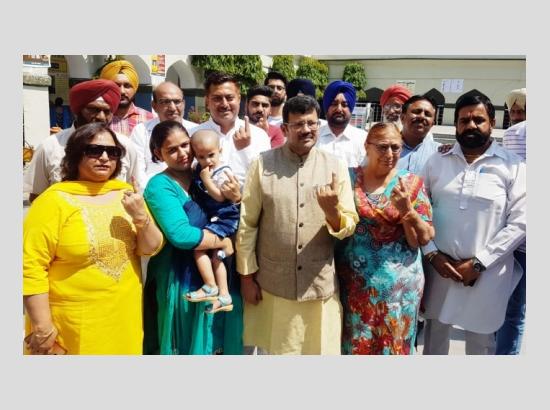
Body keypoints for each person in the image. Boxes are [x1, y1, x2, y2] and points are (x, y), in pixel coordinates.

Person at [23, 122, 164, 355]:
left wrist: (141, 217)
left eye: (113, 152)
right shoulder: (53, 201)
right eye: (94, 151)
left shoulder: (125, 194)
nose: (105, 157)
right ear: (76, 154)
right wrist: (42, 328)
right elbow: (30, 268)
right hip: (72, 325)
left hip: (122, 320)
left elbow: (152, 247)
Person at [235, 95, 359, 354]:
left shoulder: (334, 166)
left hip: (318, 285)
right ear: (284, 129)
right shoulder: (262, 165)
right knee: (277, 351)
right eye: (299, 124)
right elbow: (247, 224)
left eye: (312, 124)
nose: (307, 130)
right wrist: (247, 277)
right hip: (273, 284)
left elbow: (349, 223)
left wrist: (332, 212)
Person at [421, 92, 526, 355]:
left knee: (482, 345)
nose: (471, 125)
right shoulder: (436, 161)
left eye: (478, 119)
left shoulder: (512, 166)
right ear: (455, 124)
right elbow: (418, 211)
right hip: (439, 270)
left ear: (492, 122)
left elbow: (521, 222)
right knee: (434, 340)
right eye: (464, 120)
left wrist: (480, 262)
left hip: (487, 274)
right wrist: (432, 254)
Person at [143, 120, 243, 354]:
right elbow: (182, 235)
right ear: (159, 153)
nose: (183, 154)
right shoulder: (159, 186)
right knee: (188, 343)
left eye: (185, 145)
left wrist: (236, 198)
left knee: (219, 341)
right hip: (181, 278)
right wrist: (223, 241)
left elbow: (232, 212)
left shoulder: (204, 175)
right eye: (172, 150)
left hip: (218, 271)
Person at [335, 122, 434, 355]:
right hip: (353, 284)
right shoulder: (348, 178)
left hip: (399, 290)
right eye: (382, 147)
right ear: (366, 147)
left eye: (395, 148)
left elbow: (426, 236)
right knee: (354, 343)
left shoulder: (410, 183)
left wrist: (407, 211)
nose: (390, 154)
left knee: (393, 345)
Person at [25, 79, 142, 203]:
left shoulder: (125, 146)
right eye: (94, 109)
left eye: (107, 111)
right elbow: (37, 197)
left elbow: (133, 191)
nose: (101, 117)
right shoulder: (50, 146)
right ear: (77, 110)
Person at [186, 130, 241, 314]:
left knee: (198, 248)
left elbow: (219, 197)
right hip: (216, 217)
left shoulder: (222, 171)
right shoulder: (200, 170)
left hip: (225, 217)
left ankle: (210, 285)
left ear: (220, 150)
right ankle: (224, 296)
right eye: (201, 156)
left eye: (211, 155)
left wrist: (206, 180)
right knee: (217, 257)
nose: (208, 160)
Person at [189, 72, 271, 186]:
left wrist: (245, 150)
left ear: (239, 99)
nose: (224, 104)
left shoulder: (259, 136)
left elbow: (265, 177)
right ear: (207, 102)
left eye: (229, 98)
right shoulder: (192, 135)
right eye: (217, 98)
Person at [130, 81, 197, 189]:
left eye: (177, 101)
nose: (172, 107)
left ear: (184, 103)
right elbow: (138, 173)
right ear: (154, 106)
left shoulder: (196, 130)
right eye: (165, 102)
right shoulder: (141, 131)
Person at [496, 119, 527, 354]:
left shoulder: (514, 131)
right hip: (510, 239)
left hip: (513, 237)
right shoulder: (515, 133)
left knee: (512, 310)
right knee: (513, 310)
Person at [317, 80, 367, 167]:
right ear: (326, 107)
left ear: (350, 109)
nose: (339, 109)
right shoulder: (314, 136)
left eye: (344, 105)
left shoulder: (363, 139)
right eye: (334, 104)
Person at [99, 59, 154, 136]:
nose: (122, 91)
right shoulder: (98, 118)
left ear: (135, 89)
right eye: (116, 86)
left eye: (127, 86)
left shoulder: (149, 119)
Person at [397, 95, 441, 175]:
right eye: (416, 112)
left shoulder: (440, 153)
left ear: (432, 124)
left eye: (427, 114)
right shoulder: (383, 148)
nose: (421, 116)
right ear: (402, 118)